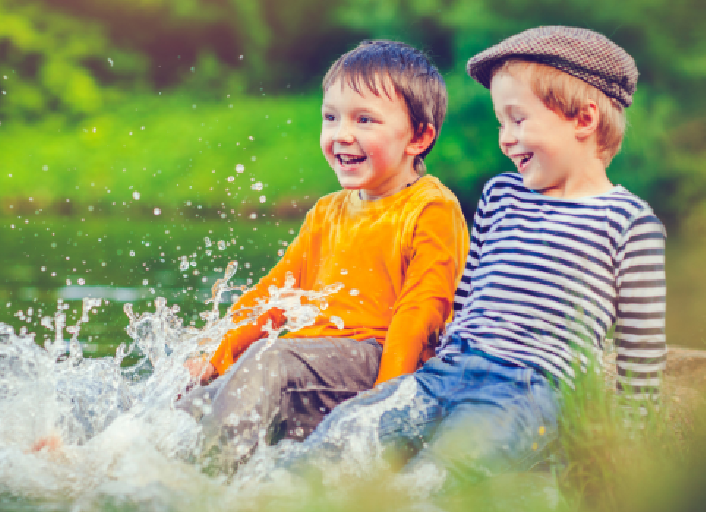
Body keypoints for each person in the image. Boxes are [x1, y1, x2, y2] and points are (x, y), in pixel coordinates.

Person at [286, 26, 667, 491]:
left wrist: (625, 444)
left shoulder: (629, 221)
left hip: (525, 391)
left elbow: (640, 353)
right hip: (446, 371)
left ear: (583, 120)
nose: (506, 139)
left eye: (518, 120)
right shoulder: (501, 195)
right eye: (501, 123)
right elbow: (465, 297)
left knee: (444, 475)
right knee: (345, 436)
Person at [178, 40, 470, 472]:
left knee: (268, 362)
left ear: (419, 137)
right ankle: (122, 464)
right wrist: (216, 355)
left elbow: (421, 311)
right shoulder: (327, 211)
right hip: (311, 367)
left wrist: (384, 406)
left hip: (381, 364)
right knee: (199, 399)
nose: (341, 134)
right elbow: (276, 293)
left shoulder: (431, 208)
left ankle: (200, 487)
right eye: (331, 117)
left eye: (364, 119)